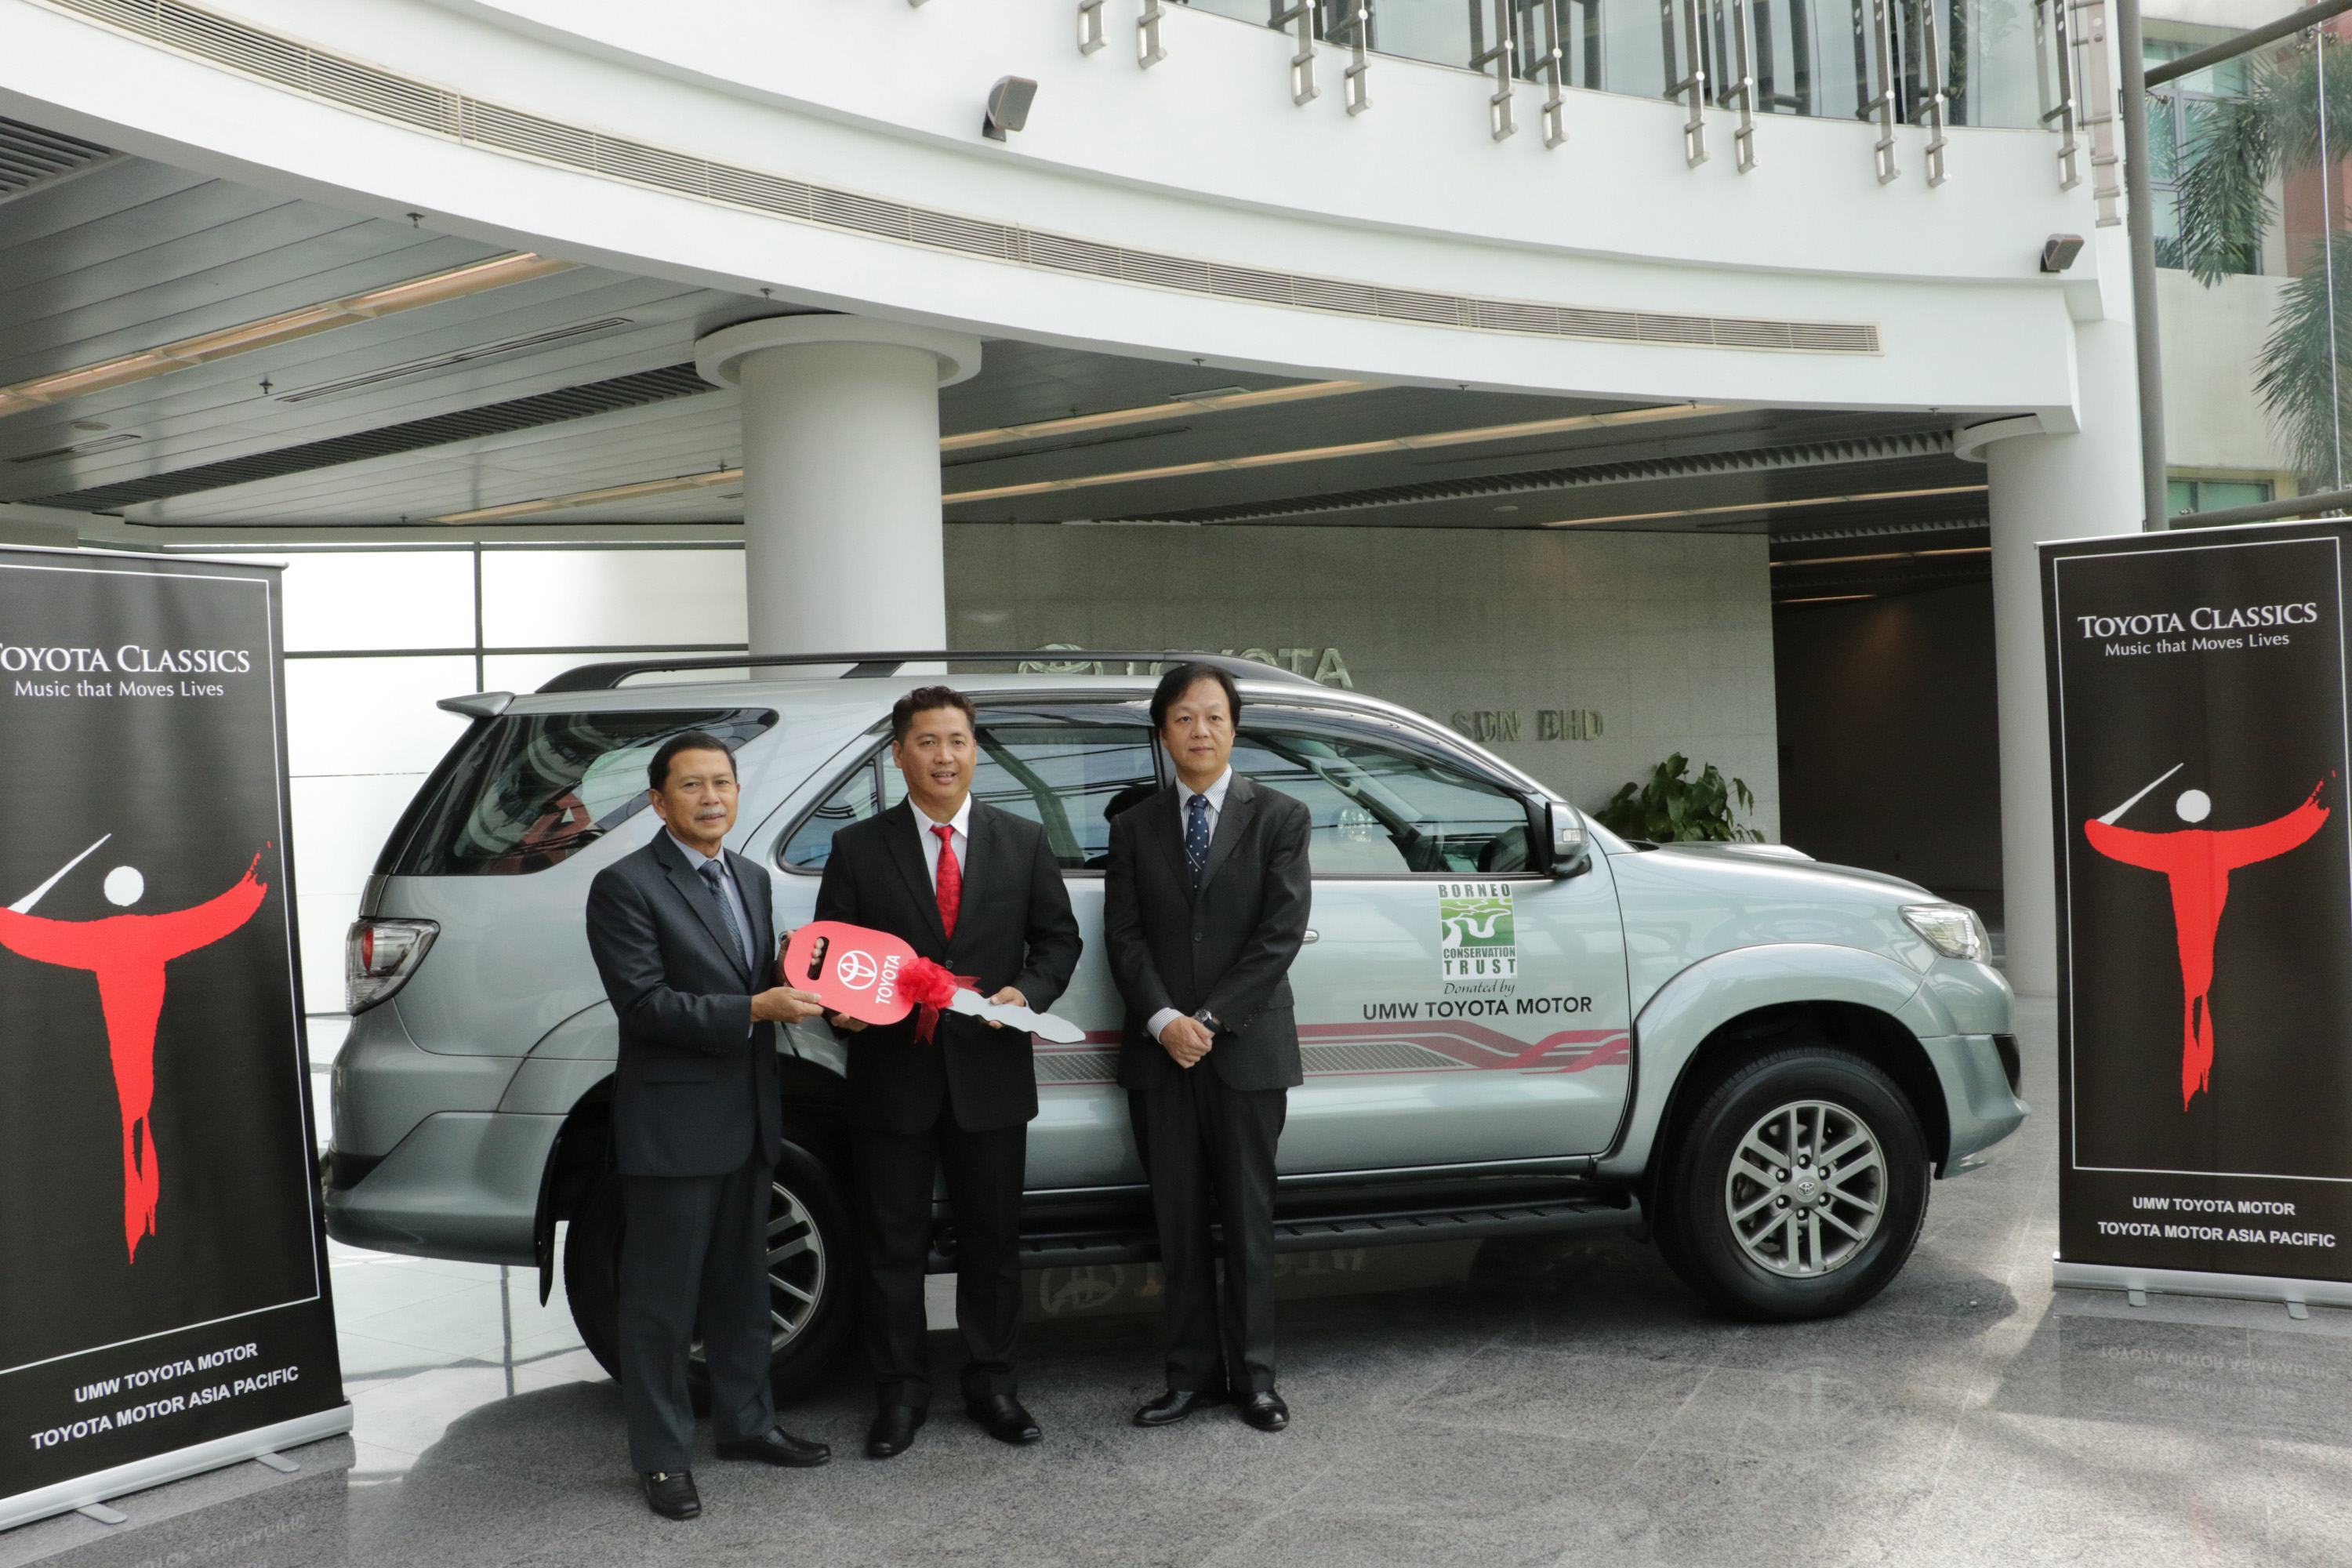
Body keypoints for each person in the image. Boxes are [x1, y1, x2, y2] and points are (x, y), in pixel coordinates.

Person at [815, 686, 1082, 1459]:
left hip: (990, 1071)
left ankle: (994, 1383)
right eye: (925, 741)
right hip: (891, 1075)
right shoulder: (860, 848)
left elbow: (1057, 942)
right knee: (891, 1244)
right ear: (899, 753)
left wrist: (1026, 993)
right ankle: (899, 1393)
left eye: (956, 740)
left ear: (974, 750)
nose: (942, 755)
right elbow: (835, 958)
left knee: (994, 1241)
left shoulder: (1022, 840)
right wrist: (842, 1008)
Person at [584, 731, 833, 1521]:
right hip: (673, 1121)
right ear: (658, 801)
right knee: (662, 1303)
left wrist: (790, 970)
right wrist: (757, 1005)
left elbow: (747, 977)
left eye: (721, 781)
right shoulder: (624, 885)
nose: (711, 796)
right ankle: (661, 1459)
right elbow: (646, 1004)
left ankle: (748, 1422)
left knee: (741, 1285)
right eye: (691, 785)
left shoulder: (751, 878)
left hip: (748, 1112)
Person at [1103, 662, 1312, 1432]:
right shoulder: (1132, 826)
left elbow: (1278, 934)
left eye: (1214, 717)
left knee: (1249, 1219)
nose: (1200, 730)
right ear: (1164, 731)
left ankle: (1255, 1377)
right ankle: (1187, 1376)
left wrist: (1212, 1020)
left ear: (1235, 727)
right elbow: (1122, 937)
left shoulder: (1281, 816)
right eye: (1184, 718)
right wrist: (1165, 1018)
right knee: (1179, 1221)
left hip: (1247, 1048)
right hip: (1161, 1053)